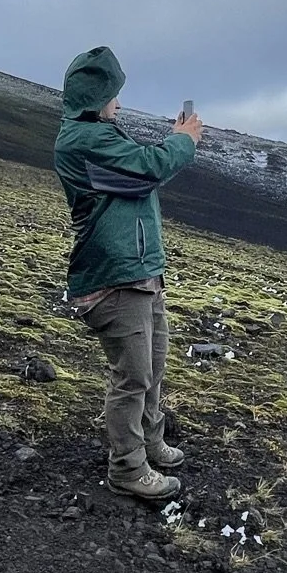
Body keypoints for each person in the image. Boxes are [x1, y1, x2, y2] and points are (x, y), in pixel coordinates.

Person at [54, 46, 204, 501]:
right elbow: (149, 169)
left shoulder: (98, 135)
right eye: (114, 92)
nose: (119, 101)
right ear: (99, 95)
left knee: (152, 369)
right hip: (114, 276)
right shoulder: (84, 140)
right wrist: (184, 140)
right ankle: (128, 468)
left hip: (139, 272)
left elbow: (139, 179)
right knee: (133, 376)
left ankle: (150, 443)